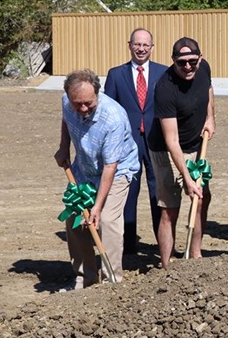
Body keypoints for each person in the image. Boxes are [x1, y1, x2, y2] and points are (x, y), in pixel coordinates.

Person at [54, 70, 140, 288]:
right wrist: (64, 147)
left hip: (117, 170)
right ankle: (86, 277)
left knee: (108, 221)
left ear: (97, 94)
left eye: (88, 104)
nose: (83, 109)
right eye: (78, 104)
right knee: (74, 219)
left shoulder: (113, 117)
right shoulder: (67, 100)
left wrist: (98, 207)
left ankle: (112, 281)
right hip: (84, 168)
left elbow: (111, 166)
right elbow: (66, 118)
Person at [148, 38, 215, 268]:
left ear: (200, 58)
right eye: (181, 63)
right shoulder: (165, 88)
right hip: (166, 151)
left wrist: (210, 117)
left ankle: (195, 254)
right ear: (173, 61)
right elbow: (171, 141)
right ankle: (167, 265)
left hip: (195, 145)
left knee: (201, 198)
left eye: (192, 62)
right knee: (170, 208)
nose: (188, 67)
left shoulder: (203, 68)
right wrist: (186, 178)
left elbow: (208, 89)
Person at [103, 28, 167, 255]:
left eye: (145, 45)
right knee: (127, 190)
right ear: (129, 45)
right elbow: (107, 112)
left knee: (158, 192)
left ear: (152, 47)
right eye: (137, 44)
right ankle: (127, 243)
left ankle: (163, 244)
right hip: (127, 143)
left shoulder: (164, 73)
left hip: (156, 141)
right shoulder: (116, 75)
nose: (141, 49)